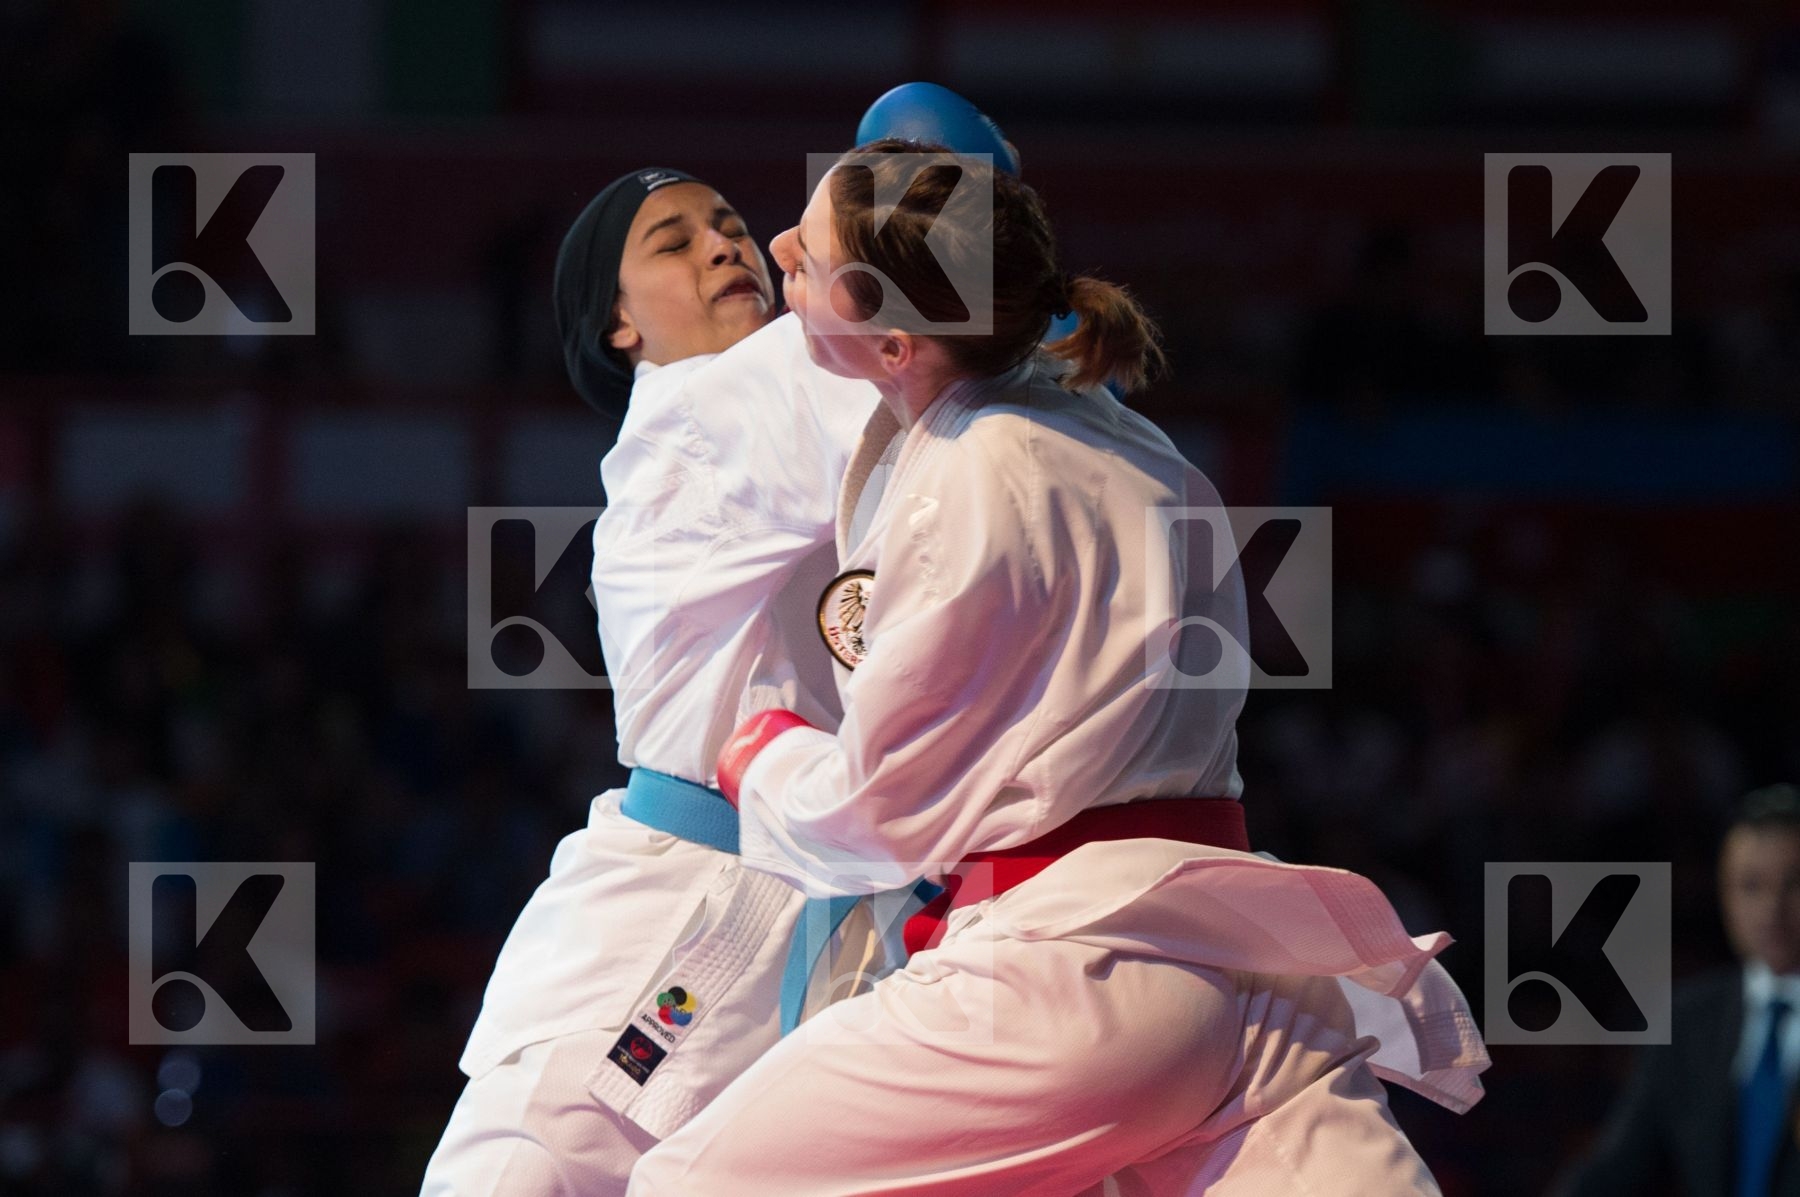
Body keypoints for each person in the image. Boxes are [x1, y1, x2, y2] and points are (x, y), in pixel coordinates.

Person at [629, 140, 1489, 1195]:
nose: (776, 247)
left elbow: (881, 810)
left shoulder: (967, 479)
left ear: (895, 342)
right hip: (1231, 982)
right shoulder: (1135, 441)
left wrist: (759, 750)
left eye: (810, 249)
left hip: (1059, 984)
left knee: (684, 1185)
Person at [424, 89, 1031, 1196]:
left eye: (731, 230)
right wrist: (970, 210)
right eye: (674, 240)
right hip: (684, 924)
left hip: (817, 910)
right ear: (622, 327)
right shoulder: (703, 405)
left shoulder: (787, 406)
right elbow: (951, 344)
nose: (723, 244)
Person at [1553, 783, 1800, 1197]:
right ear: (1723, 894)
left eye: (1795, 883)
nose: (1771, 908)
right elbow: (1613, 1169)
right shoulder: (1689, 1021)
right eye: (1750, 886)